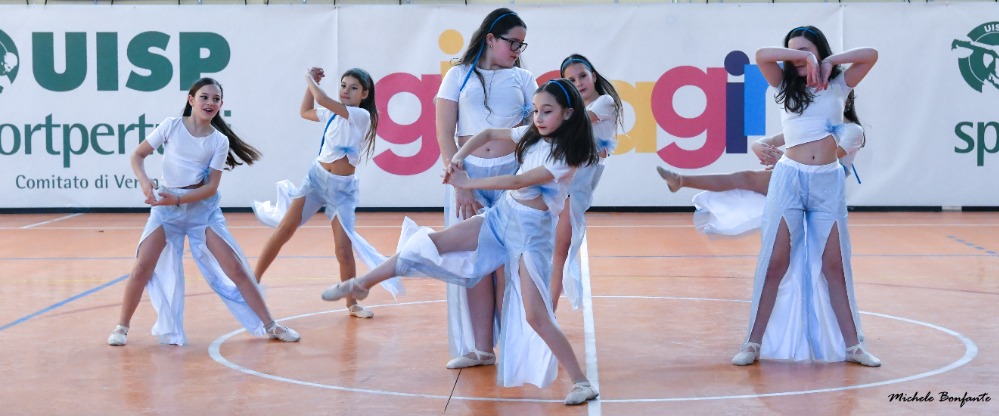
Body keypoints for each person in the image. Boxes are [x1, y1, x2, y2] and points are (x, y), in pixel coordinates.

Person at [322, 80, 600, 405]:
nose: (538, 118)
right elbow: (487, 133)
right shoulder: (532, 134)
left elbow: (517, 180)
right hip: (502, 218)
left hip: (531, 237)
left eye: (547, 111)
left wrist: (467, 182)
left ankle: (581, 382)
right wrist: (457, 158)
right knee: (429, 244)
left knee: (535, 316)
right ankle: (362, 283)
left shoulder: (566, 156)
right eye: (536, 110)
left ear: (567, 113)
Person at [107, 78, 300, 346]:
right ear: (191, 99)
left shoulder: (219, 141)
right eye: (204, 97)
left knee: (235, 267)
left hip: (202, 211)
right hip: (166, 211)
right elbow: (137, 155)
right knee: (142, 268)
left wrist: (177, 198)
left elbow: (211, 188)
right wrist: (145, 181)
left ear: (221, 104)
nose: (210, 103)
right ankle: (122, 327)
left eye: (216, 99)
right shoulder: (171, 126)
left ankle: (271, 325)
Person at [729, 26, 880, 366]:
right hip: (789, 179)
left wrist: (827, 62)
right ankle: (752, 342)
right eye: (792, 51)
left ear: (820, 50)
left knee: (834, 265)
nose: (797, 57)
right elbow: (762, 55)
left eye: (805, 49)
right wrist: (804, 57)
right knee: (775, 262)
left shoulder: (838, 84)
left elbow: (870, 55)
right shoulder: (783, 85)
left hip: (827, 182)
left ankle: (853, 346)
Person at [252, 67, 402, 318]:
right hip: (316, 180)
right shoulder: (333, 114)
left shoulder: (361, 115)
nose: (346, 91)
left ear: (364, 94)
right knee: (285, 230)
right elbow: (306, 111)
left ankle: (352, 303)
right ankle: (253, 281)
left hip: (342, 191)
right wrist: (309, 85)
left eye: (353, 88)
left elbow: (321, 99)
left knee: (343, 250)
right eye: (343, 85)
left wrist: (309, 78)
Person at [434, 8, 537, 369]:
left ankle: (512, 346)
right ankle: (480, 349)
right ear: (491, 39)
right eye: (513, 42)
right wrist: (459, 182)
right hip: (469, 178)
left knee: (508, 265)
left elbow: (538, 130)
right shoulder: (457, 75)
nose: (518, 50)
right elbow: (445, 133)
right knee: (474, 263)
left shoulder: (524, 79)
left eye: (522, 45)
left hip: (512, 178)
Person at [656, 106, 865, 237]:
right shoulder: (812, 126)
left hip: (822, 186)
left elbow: (825, 160)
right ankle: (681, 180)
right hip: (798, 176)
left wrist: (783, 159)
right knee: (745, 178)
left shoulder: (853, 130)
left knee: (798, 238)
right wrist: (759, 147)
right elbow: (769, 140)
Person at [550, 54, 623, 311]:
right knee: (552, 250)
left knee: (560, 249)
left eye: (582, 76)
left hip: (579, 183)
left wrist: (546, 113)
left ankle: (548, 311)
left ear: (593, 75)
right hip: (561, 178)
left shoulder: (604, 102)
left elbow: (577, 123)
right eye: (571, 80)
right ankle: (544, 309)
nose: (579, 82)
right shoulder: (569, 110)